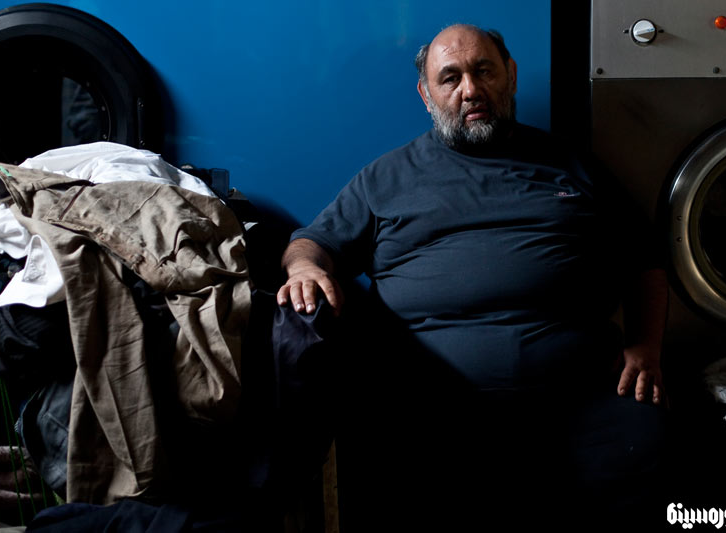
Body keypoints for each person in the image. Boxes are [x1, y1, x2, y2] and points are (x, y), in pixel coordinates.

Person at [277, 23, 670, 531]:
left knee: (648, 444)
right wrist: (304, 267)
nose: (470, 90)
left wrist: (646, 347)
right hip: (432, 404)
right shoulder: (385, 178)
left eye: (484, 71)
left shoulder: (572, 166)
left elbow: (644, 259)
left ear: (510, 75)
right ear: (427, 95)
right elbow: (313, 241)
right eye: (451, 78)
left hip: (579, 396)